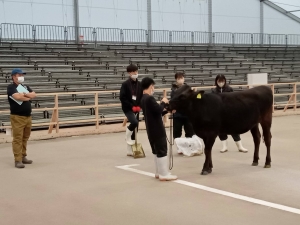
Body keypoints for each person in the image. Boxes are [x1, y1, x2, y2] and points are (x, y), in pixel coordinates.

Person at [141, 77, 177, 181]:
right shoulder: (149, 98)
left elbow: (156, 112)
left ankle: (159, 172)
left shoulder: (143, 98)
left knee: (156, 150)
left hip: (150, 128)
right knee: (162, 150)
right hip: (157, 128)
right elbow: (157, 110)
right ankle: (164, 174)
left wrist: (168, 111)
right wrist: (163, 102)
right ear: (151, 86)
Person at [7, 68, 36, 168]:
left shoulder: (24, 86)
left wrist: (25, 94)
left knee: (25, 137)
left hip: (27, 116)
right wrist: (27, 96)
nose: (21, 77)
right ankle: (18, 159)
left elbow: (34, 94)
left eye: (22, 75)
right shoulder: (11, 87)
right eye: (19, 75)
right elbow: (17, 97)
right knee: (18, 138)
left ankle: (23, 156)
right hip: (17, 117)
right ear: (14, 77)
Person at [212, 74, 248, 153]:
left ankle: (240, 146)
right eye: (219, 81)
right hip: (219, 113)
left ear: (225, 81)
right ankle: (224, 146)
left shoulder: (229, 89)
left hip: (229, 112)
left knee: (234, 129)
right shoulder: (214, 91)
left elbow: (234, 100)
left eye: (222, 81)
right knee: (221, 130)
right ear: (216, 82)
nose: (221, 83)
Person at [119, 64, 143, 156]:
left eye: (136, 71)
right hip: (128, 108)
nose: (135, 73)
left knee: (135, 129)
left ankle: (130, 150)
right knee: (134, 122)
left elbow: (141, 96)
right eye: (133, 72)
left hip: (137, 108)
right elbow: (122, 97)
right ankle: (127, 136)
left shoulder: (140, 84)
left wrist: (140, 105)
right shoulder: (125, 84)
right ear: (129, 73)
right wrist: (131, 106)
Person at [171, 72, 195, 154]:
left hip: (187, 114)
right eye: (178, 78)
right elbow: (173, 101)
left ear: (184, 78)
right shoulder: (174, 90)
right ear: (176, 80)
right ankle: (179, 147)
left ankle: (189, 147)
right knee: (177, 131)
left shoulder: (188, 88)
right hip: (177, 114)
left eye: (181, 78)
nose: (180, 80)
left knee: (189, 131)